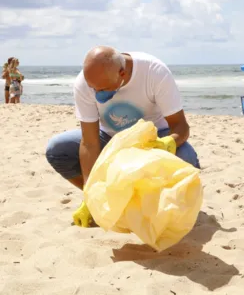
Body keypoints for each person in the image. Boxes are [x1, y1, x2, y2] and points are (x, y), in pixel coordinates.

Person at [45, 46, 200, 228]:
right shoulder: (84, 84)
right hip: (110, 138)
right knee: (57, 150)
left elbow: (181, 126)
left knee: (187, 159)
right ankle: (110, 200)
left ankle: (159, 204)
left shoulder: (154, 72)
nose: (96, 94)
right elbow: (89, 142)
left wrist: (169, 142)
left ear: (122, 73)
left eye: (102, 89)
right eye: (93, 88)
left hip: (153, 138)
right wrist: (90, 196)